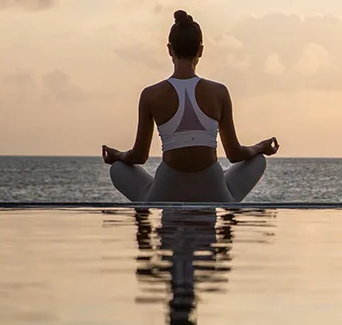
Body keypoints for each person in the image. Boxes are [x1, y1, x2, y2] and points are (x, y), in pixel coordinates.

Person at [102, 10, 279, 203]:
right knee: (258, 160)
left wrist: (117, 155)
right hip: (213, 189)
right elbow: (235, 154)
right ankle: (221, 185)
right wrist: (260, 147)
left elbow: (139, 156)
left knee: (118, 168)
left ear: (170, 49)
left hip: (165, 190)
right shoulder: (219, 92)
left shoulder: (150, 95)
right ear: (200, 50)